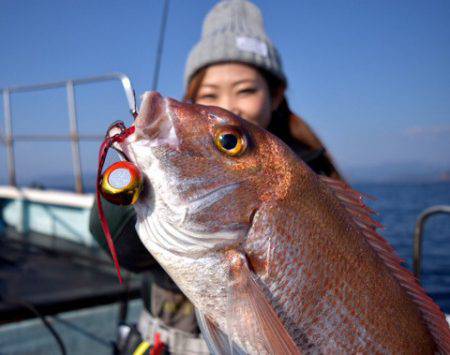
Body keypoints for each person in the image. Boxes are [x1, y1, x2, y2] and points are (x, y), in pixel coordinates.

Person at [90, 0, 342, 353]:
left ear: (276, 94)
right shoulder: (178, 167)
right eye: (210, 95)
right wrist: (132, 194)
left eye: (246, 90)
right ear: (192, 99)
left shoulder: (315, 176)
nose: (229, 104)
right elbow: (118, 249)